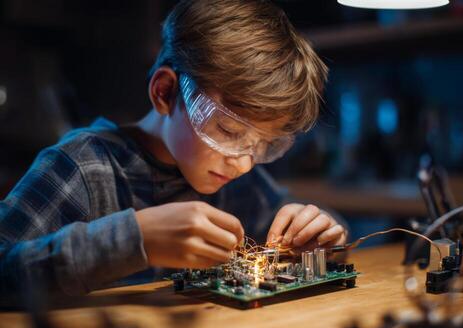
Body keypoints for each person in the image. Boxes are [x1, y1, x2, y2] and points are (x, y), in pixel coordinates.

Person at [0, 0, 348, 297]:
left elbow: (320, 232)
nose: (243, 162)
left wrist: (319, 235)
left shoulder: (238, 182)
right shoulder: (83, 167)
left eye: (265, 144)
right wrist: (134, 240)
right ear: (165, 92)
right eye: (227, 130)